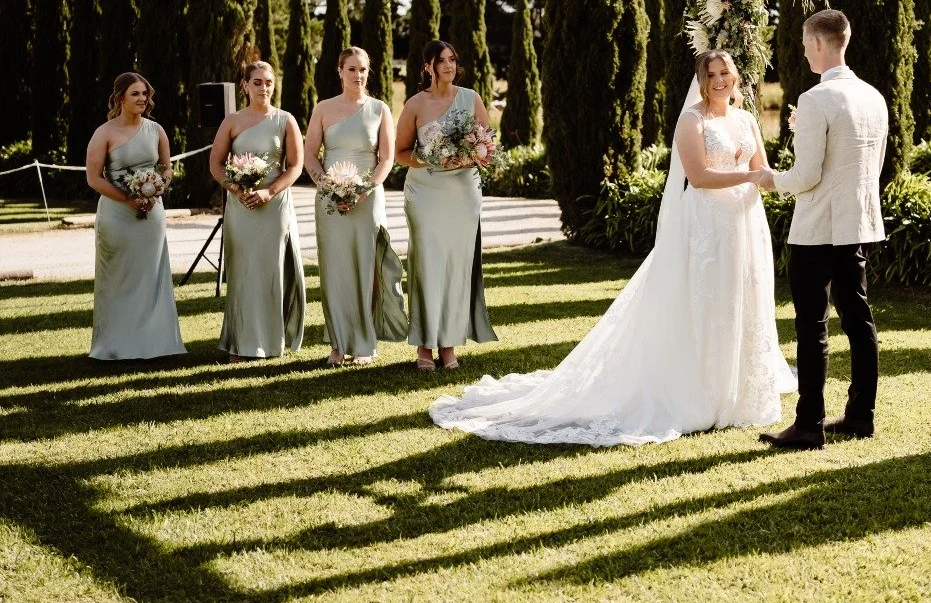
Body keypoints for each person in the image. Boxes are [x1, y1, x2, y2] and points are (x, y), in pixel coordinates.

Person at [428, 49, 795, 444]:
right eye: (713, 74)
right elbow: (701, 177)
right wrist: (751, 175)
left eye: (727, 72)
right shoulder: (692, 120)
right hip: (707, 225)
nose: (722, 79)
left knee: (741, 299)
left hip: (744, 222)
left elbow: (764, 172)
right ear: (702, 80)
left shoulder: (746, 119)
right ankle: (704, 391)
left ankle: (739, 391)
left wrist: (798, 180)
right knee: (705, 302)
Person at [757, 9, 888, 450]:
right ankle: (860, 416)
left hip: (817, 230)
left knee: (812, 324)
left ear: (817, 43)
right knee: (858, 318)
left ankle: (809, 424)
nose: (802, 49)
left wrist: (771, 179)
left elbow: (807, 175)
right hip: (857, 225)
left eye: (803, 41)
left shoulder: (816, 100)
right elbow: (870, 167)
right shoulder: (873, 96)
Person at [394, 40, 497, 371]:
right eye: (442, 61)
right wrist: (435, 156)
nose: (449, 66)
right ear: (429, 66)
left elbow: (486, 146)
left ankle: (449, 345)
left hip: (462, 195)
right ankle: (425, 345)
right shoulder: (415, 104)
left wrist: (474, 155)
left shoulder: (471, 98)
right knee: (427, 265)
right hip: (425, 194)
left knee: (455, 268)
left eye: (453, 59)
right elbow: (400, 153)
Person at [304, 46, 408, 367]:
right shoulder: (323, 108)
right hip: (330, 201)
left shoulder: (380, 109)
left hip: (367, 198)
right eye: (352, 69)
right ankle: (338, 344)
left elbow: (387, 159)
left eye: (363, 69)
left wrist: (363, 189)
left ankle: (364, 342)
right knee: (335, 271)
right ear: (340, 71)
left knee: (366, 269)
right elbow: (310, 155)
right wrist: (329, 188)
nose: (358, 75)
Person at [85, 72, 186, 361]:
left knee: (151, 276)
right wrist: (130, 198)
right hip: (117, 216)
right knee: (119, 278)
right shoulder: (103, 133)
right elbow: (94, 178)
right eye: (136, 94)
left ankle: (156, 345)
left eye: (145, 94)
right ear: (120, 98)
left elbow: (167, 168)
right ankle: (115, 347)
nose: (143, 99)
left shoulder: (156, 130)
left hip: (152, 214)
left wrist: (156, 189)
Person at [210, 61, 306, 361]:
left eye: (268, 82)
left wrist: (269, 191)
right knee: (241, 273)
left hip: (274, 206)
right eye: (257, 82)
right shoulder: (232, 121)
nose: (264, 88)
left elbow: (295, 166)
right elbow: (216, 164)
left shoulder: (286, 120)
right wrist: (236, 190)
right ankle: (240, 343)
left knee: (270, 271)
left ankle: (270, 342)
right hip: (241, 208)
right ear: (245, 86)